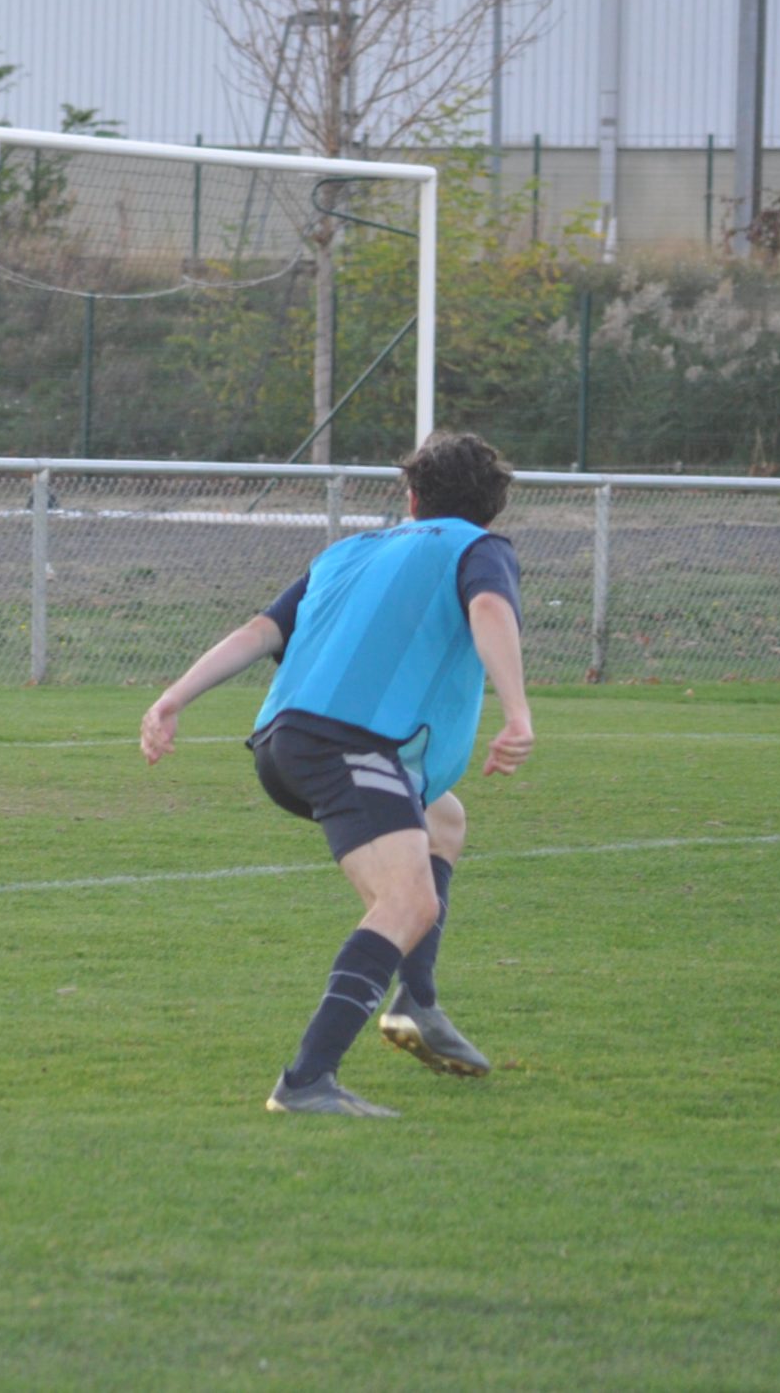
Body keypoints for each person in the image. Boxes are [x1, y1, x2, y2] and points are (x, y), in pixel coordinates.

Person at [139, 431, 535, 1117]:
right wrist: (519, 712)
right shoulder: (478, 550)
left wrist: (175, 695)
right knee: (409, 904)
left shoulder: (346, 551)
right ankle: (306, 1082)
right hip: (350, 748)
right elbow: (490, 610)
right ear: (492, 511)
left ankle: (418, 1002)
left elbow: (260, 631)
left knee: (445, 819)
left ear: (410, 498)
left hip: (282, 743)